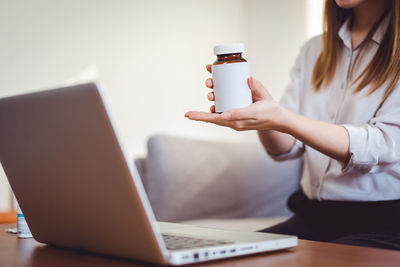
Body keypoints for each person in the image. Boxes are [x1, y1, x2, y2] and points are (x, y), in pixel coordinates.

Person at [185, 0, 400, 250]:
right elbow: (286, 148)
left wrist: (283, 118)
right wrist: (263, 117)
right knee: (222, 255)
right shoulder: (314, 49)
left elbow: (384, 145)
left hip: (386, 223)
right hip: (313, 218)